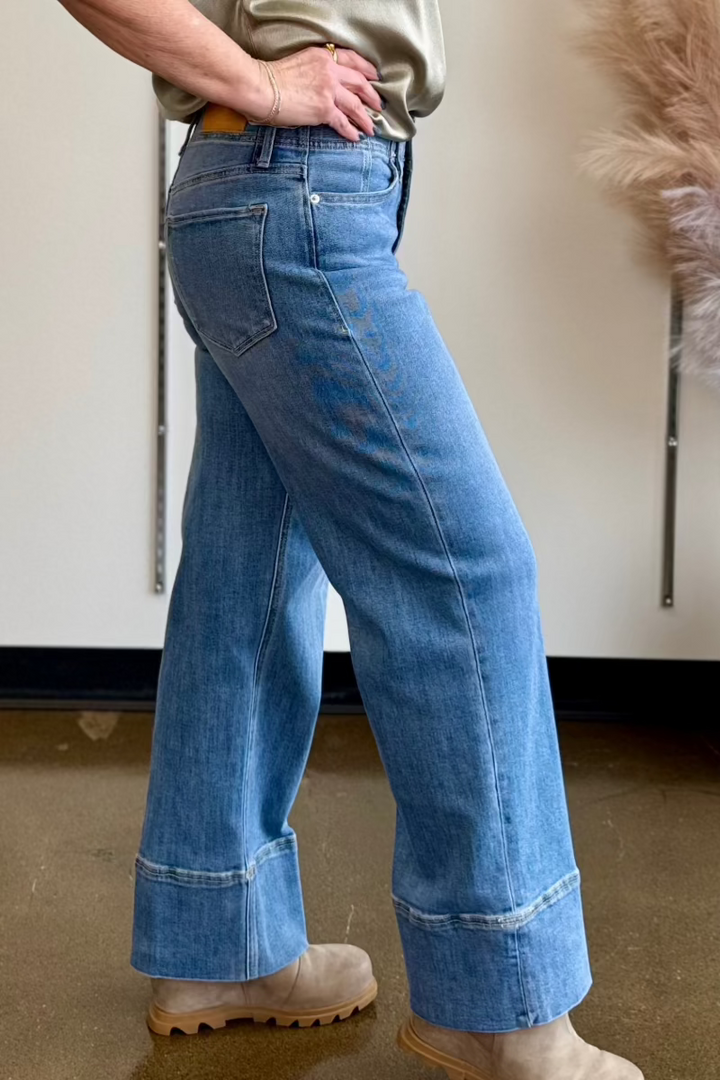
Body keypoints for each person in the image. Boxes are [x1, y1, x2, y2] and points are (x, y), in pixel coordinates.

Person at [61, 2, 642, 1077]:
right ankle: (499, 1006)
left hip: (278, 194)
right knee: (466, 575)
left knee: (253, 573)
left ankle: (216, 942)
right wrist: (265, 80)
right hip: (295, 192)